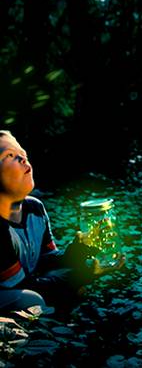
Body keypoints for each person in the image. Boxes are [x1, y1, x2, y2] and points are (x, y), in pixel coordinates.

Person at [0, 129, 125, 315]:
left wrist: (80, 249)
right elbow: (25, 285)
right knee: (32, 299)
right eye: (10, 155)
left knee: (65, 278)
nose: (23, 159)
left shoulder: (35, 208)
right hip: (8, 290)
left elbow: (46, 260)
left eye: (23, 154)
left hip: (28, 281)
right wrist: (82, 275)